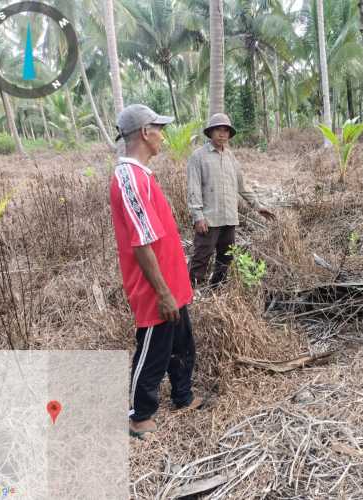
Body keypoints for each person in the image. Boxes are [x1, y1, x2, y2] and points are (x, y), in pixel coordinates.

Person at [109, 104, 204, 439]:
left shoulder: (142, 175)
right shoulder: (129, 178)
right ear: (145, 133)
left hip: (171, 283)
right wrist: (163, 292)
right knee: (153, 351)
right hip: (155, 288)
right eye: (159, 129)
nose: (163, 135)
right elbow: (140, 243)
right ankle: (140, 416)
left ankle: (182, 396)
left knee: (182, 344)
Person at [187, 113, 275, 287]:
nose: (222, 134)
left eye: (226, 130)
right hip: (209, 219)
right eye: (218, 130)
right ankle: (191, 293)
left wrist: (257, 206)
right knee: (201, 257)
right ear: (210, 132)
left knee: (225, 258)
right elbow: (193, 188)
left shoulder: (231, 157)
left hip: (229, 217)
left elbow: (242, 186)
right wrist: (198, 216)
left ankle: (216, 290)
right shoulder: (198, 157)